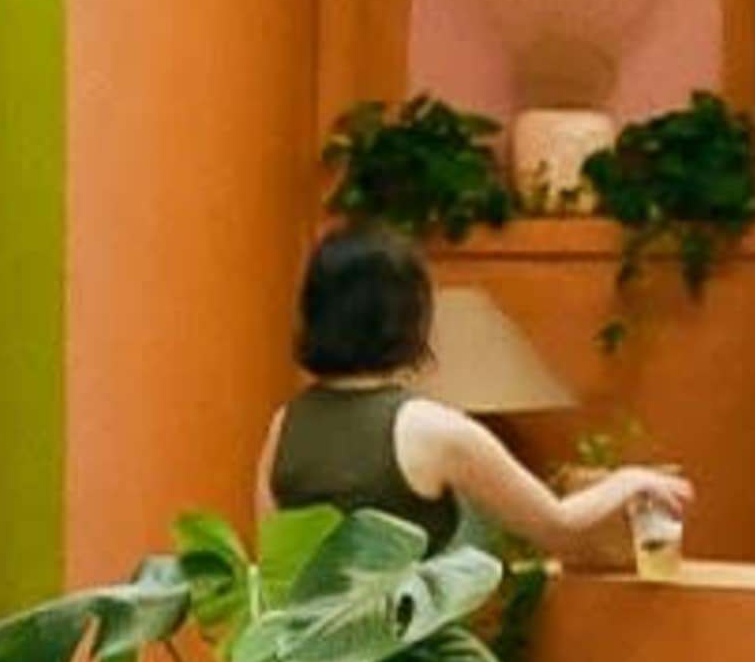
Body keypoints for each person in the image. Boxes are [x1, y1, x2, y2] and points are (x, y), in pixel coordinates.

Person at [262, 223, 689, 563]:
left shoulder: (285, 424)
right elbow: (556, 526)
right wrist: (629, 480)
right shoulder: (432, 430)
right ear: (408, 318)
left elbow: (272, 565)